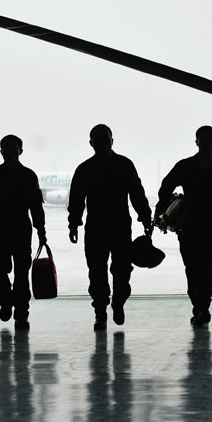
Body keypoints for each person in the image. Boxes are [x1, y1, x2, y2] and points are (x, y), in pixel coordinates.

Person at [155, 125, 212, 326]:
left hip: (210, 225)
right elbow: (165, 187)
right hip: (187, 225)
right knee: (192, 268)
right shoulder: (186, 166)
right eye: (202, 138)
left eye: (209, 138)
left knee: (207, 267)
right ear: (196, 142)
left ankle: (202, 308)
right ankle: (199, 306)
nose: (205, 141)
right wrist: (165, 210)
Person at [68, 124, 151, 331]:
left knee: (121, 270)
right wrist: (73, 223)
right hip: (97, 228)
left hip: (120, 226)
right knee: (97, 272)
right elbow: (76, 200)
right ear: (91, 143)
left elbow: (137, 194)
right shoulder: (86, 169)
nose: (102, 142)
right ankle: (101, 312)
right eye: (98, 138)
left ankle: (118, 302)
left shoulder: (123, 165)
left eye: (105, 138)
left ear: (112, 141)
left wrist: (146, 217)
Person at [0, 135, 46, 330]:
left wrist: (41, 230)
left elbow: (36, 207)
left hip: (22, 231)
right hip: (0, 231)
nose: (10, 152)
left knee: (22, 275)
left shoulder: (29, 176)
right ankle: (6, 300)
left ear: (20, 151)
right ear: (1, 152)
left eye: (13, 148)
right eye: (7, 148)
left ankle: (21, 314)